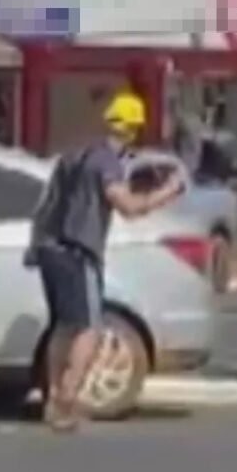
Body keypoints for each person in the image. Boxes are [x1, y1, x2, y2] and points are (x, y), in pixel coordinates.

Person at [26, 91, 185, 432]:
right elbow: (128, 206)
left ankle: (53, 398)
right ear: (133, 130)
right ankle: (67, 401)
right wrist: (168, 192)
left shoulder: (73, 155)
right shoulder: (107, 162)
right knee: (89, 329)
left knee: (63, 326)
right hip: (77, 250)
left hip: (49, 248)